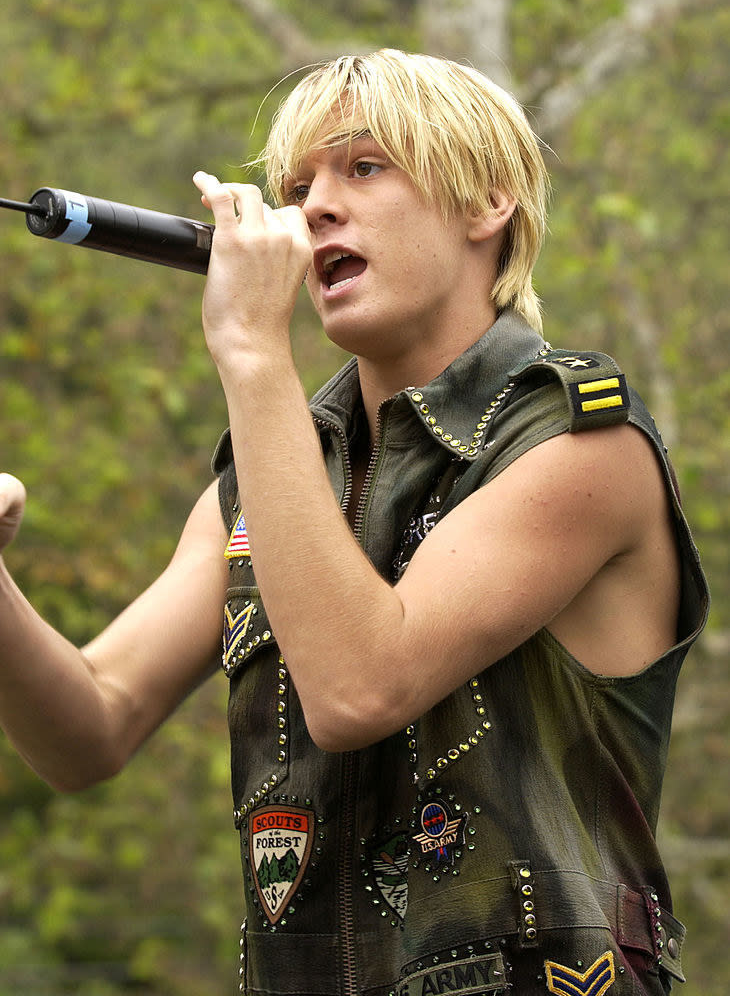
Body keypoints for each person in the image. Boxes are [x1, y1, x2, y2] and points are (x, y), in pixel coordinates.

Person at [0, 49, 709, 996]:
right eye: (297, 186)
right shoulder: (270, 479)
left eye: (363, 167)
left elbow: (360, 688)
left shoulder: (582, 440)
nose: (312, 207)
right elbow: (90, 727)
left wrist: (254, 351)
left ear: (485, 202)